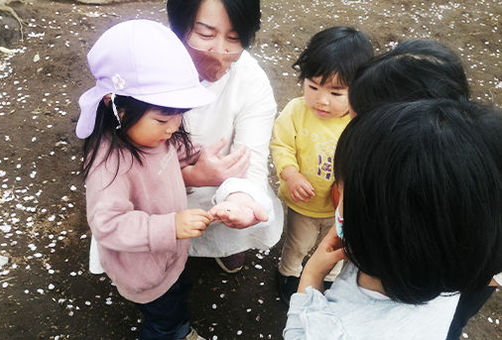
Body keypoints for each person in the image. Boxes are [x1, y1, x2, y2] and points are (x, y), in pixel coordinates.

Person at [283, 99, 502, 339]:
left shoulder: (334, 332)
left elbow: (296, 333)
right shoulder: (447, 266)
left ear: (377, 228)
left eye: (342, 191)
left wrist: (311, 276)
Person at [348, 39, 499, 339]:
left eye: (356, 123)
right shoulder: (420, 165)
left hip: (453, 290)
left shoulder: (476, 180)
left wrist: (454, 275)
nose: (349, 134)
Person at [76, 20, 217, 340]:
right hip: (144, 272)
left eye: (179, 115)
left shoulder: (156, 136)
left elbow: (174, 150)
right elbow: (108, 225)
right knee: (164, 318)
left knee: (178, 291)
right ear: (119, 109)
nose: (173, 127)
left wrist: (200, 156)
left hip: (170, 254)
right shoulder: (109, 165)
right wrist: (171, 227)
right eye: (163, 119)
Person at [166, 0, 283, 273]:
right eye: (206, 34)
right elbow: (124, 157)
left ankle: (228, 242)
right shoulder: (148, 69)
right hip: (156, 183)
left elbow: (251, 158)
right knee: (159, 247)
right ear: (179, 25)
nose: (220, 50)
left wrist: (241, 200)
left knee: (231, 226)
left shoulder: (251, 81)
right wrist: (190, 176)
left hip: (227, 184)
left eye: (234, 38)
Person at [269, 26, 373, 304]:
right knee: (298, 244)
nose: (321, 99)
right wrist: (290, 175)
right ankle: (288, 274)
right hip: (302, 204)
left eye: (336, 93)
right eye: (313, 86)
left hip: (341, 209)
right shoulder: (295, 111)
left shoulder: (360, 122)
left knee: (336, 247)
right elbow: (281, 145)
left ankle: (328, 279)